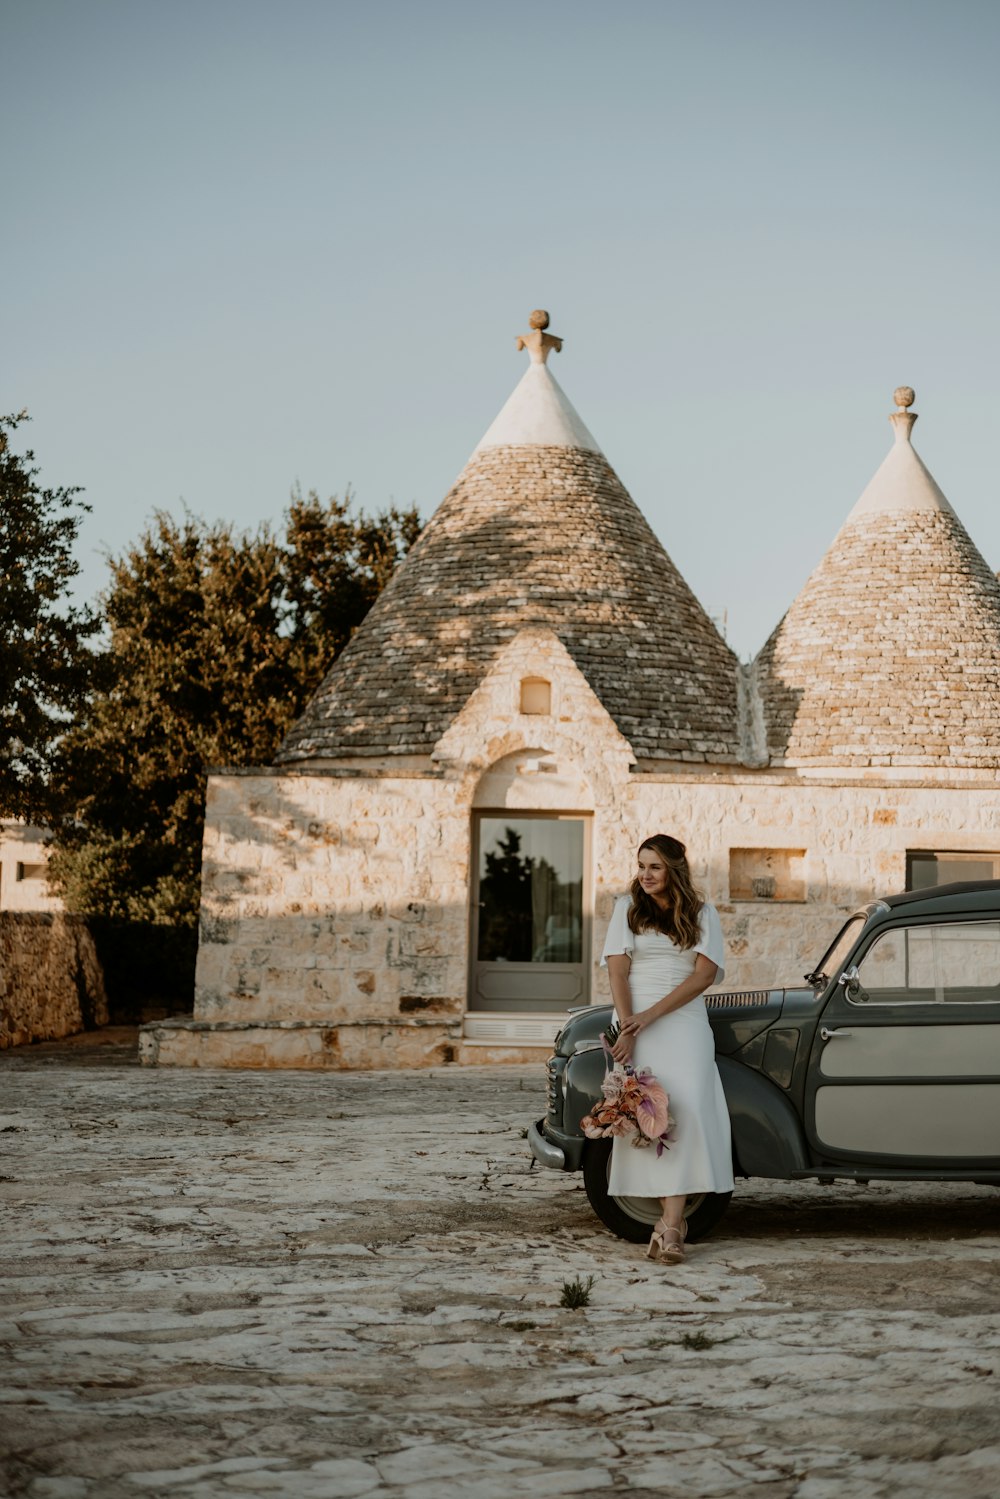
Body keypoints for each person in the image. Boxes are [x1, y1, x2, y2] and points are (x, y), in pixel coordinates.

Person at [602, 834, 734, 1264]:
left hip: (683, 1022)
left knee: (688, 1111)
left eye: (655, 867)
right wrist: (628, 1027)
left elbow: (704, 976)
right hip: (637, 1023)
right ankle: (672, 1227)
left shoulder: (702, 913)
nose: (645, 875)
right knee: (649, 1117)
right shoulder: (626, 908)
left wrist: (651, 1016)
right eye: (641, 866)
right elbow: (619, 973)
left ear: (675, 869)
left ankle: (670, 1224)